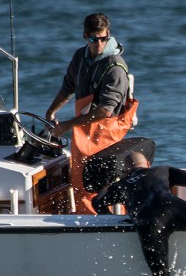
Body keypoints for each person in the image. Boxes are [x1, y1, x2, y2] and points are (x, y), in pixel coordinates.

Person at [45, 13, 138, 213]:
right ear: (85, 36)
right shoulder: (80, 57)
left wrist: (69, 124)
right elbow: (68, 87)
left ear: (109, 34)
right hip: (83, 133)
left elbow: (105, 110)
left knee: (105, 183)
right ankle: (86, 218)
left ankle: (108, 222)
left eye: (103, 39)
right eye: (94, 39)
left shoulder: (115, 67)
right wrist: (51, 111)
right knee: (81, 183)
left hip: (107, 133)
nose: (99, 44)